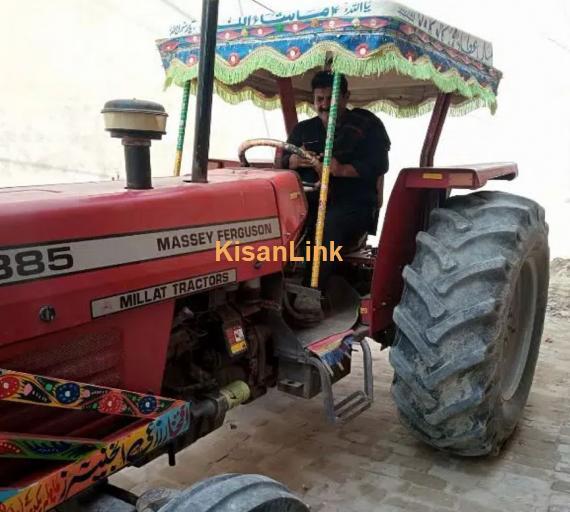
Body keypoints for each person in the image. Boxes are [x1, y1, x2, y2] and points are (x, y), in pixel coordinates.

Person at [281, 71, 391, 290]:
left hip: (352, 204)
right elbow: (282, 160)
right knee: (279, 220)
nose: (324, 105)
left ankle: (311, 292)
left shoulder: (366, 125)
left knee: (327, 224)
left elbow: (379, 164)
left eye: (331, 99)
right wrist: (293, 161)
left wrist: (340, 169)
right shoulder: (303, 129)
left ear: (345, 97)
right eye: (319, 99)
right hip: (307, 199)